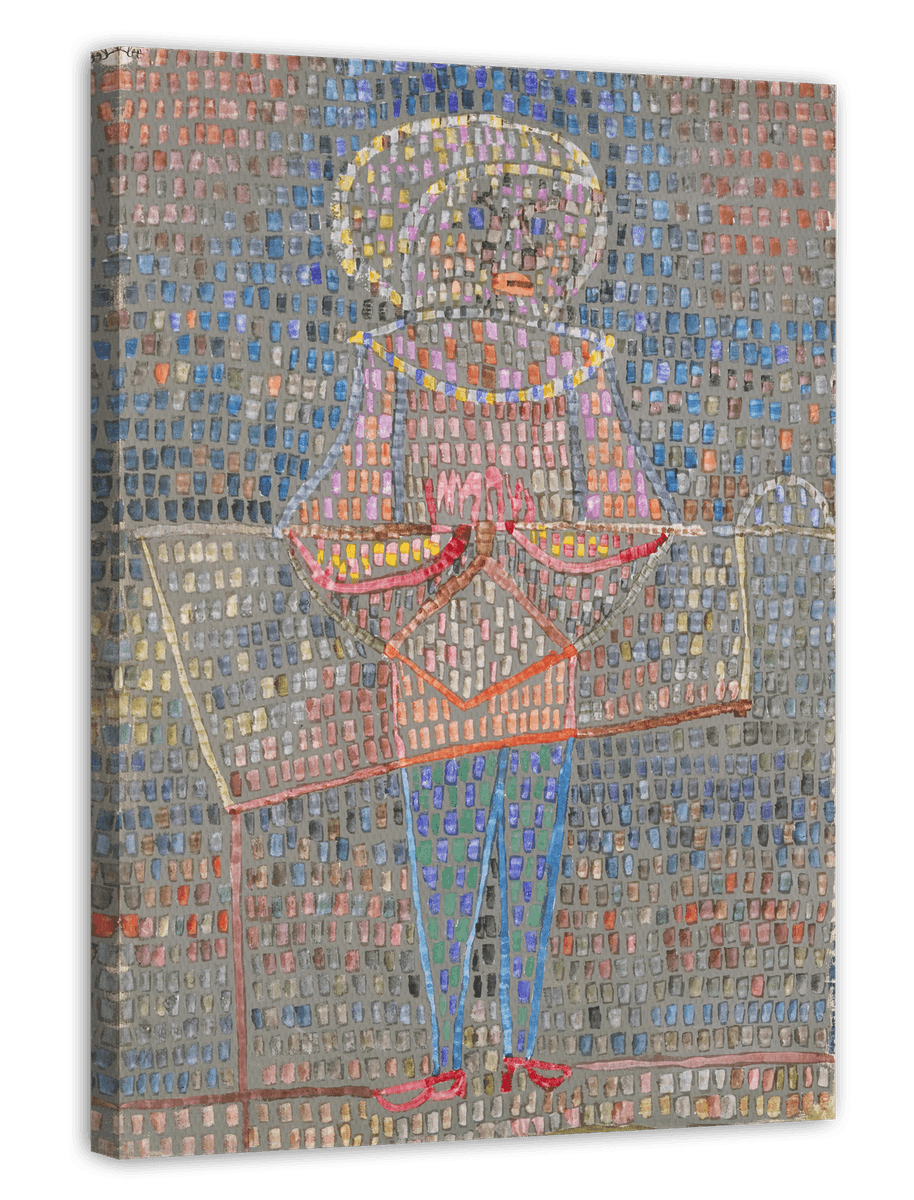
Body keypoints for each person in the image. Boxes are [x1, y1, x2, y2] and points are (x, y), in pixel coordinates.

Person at [278, 115, 698, 1109]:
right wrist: (435, 543)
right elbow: (329, 527)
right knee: (442, 850)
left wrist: (534, 538)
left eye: (530, 233)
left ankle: (523, 1046)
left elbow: (635, 516)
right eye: (486, 230)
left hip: (543, 643)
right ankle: (439, 1058)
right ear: (437, 244)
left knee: (532, 850)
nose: (512, 252)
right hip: (430, 650)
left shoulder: (578, 367)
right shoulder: (394, 362)